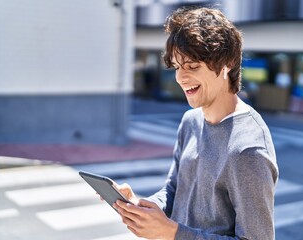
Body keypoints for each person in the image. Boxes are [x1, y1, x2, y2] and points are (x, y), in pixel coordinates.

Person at [112, 6, 278, 240]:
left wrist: (174, 233)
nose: (180, 78)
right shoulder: (191, 120)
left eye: (192, 67)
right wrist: (145, 207)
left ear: (227, 63)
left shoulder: (248, 150)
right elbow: (175, 188)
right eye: (177, 67)